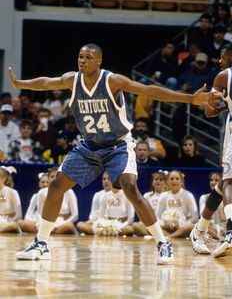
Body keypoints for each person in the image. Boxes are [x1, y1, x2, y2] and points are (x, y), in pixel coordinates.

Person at [9, 43, 212, 264]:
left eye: (88, 57)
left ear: (99, 61)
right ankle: (41, 244)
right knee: (56, 185)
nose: (82, 60)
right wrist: (20, 84)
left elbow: (149, 90)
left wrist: (190, 99)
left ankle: (163, 244)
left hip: (118, 145)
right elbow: (46, 83)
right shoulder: (72, 79)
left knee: (130, 188)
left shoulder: (112, 81)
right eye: (80, 56)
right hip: (89, 145)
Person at [190, 43, 232, 257]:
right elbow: (212, 110)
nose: (219, 61)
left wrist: (218, 104)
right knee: (229, 181)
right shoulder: (224, 76)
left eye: (222, 57)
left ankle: (199, 230)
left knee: (226, 182)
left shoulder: (223, 77)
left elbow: (210, 112)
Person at [156, 170, 198, 239]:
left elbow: (195, 217)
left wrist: (182, 224)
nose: (174, 181)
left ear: (181, 181)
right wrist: (163, 224)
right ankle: (174, 235)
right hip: (166, 228)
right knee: (146, 226)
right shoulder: (163, 195)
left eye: (177, 179)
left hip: (182, 227)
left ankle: (168, 237)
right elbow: (156, 216)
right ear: (167, 181)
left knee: (192, 226)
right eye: (171, 179)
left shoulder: (188, 195)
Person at [132, 170, 167, 237]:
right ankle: (156, 235)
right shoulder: (147, 195)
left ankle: (156, 235)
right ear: (152, 183)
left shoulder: (167, 195)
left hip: (162, 223)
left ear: (165, 183)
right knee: (135, 225)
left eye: (161, 180)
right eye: (156, 179)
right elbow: (142, 211)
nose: (158, 181)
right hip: (149, 222)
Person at [198, 172, 226, 240]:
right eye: (211, 180)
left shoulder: (229, 198)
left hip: (226, 228)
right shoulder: (204, 197)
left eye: (217, 180)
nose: (213, 182)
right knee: (194, 226)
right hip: (211, 229)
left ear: (222, 182)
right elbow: (202, 216)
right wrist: (210, 202)